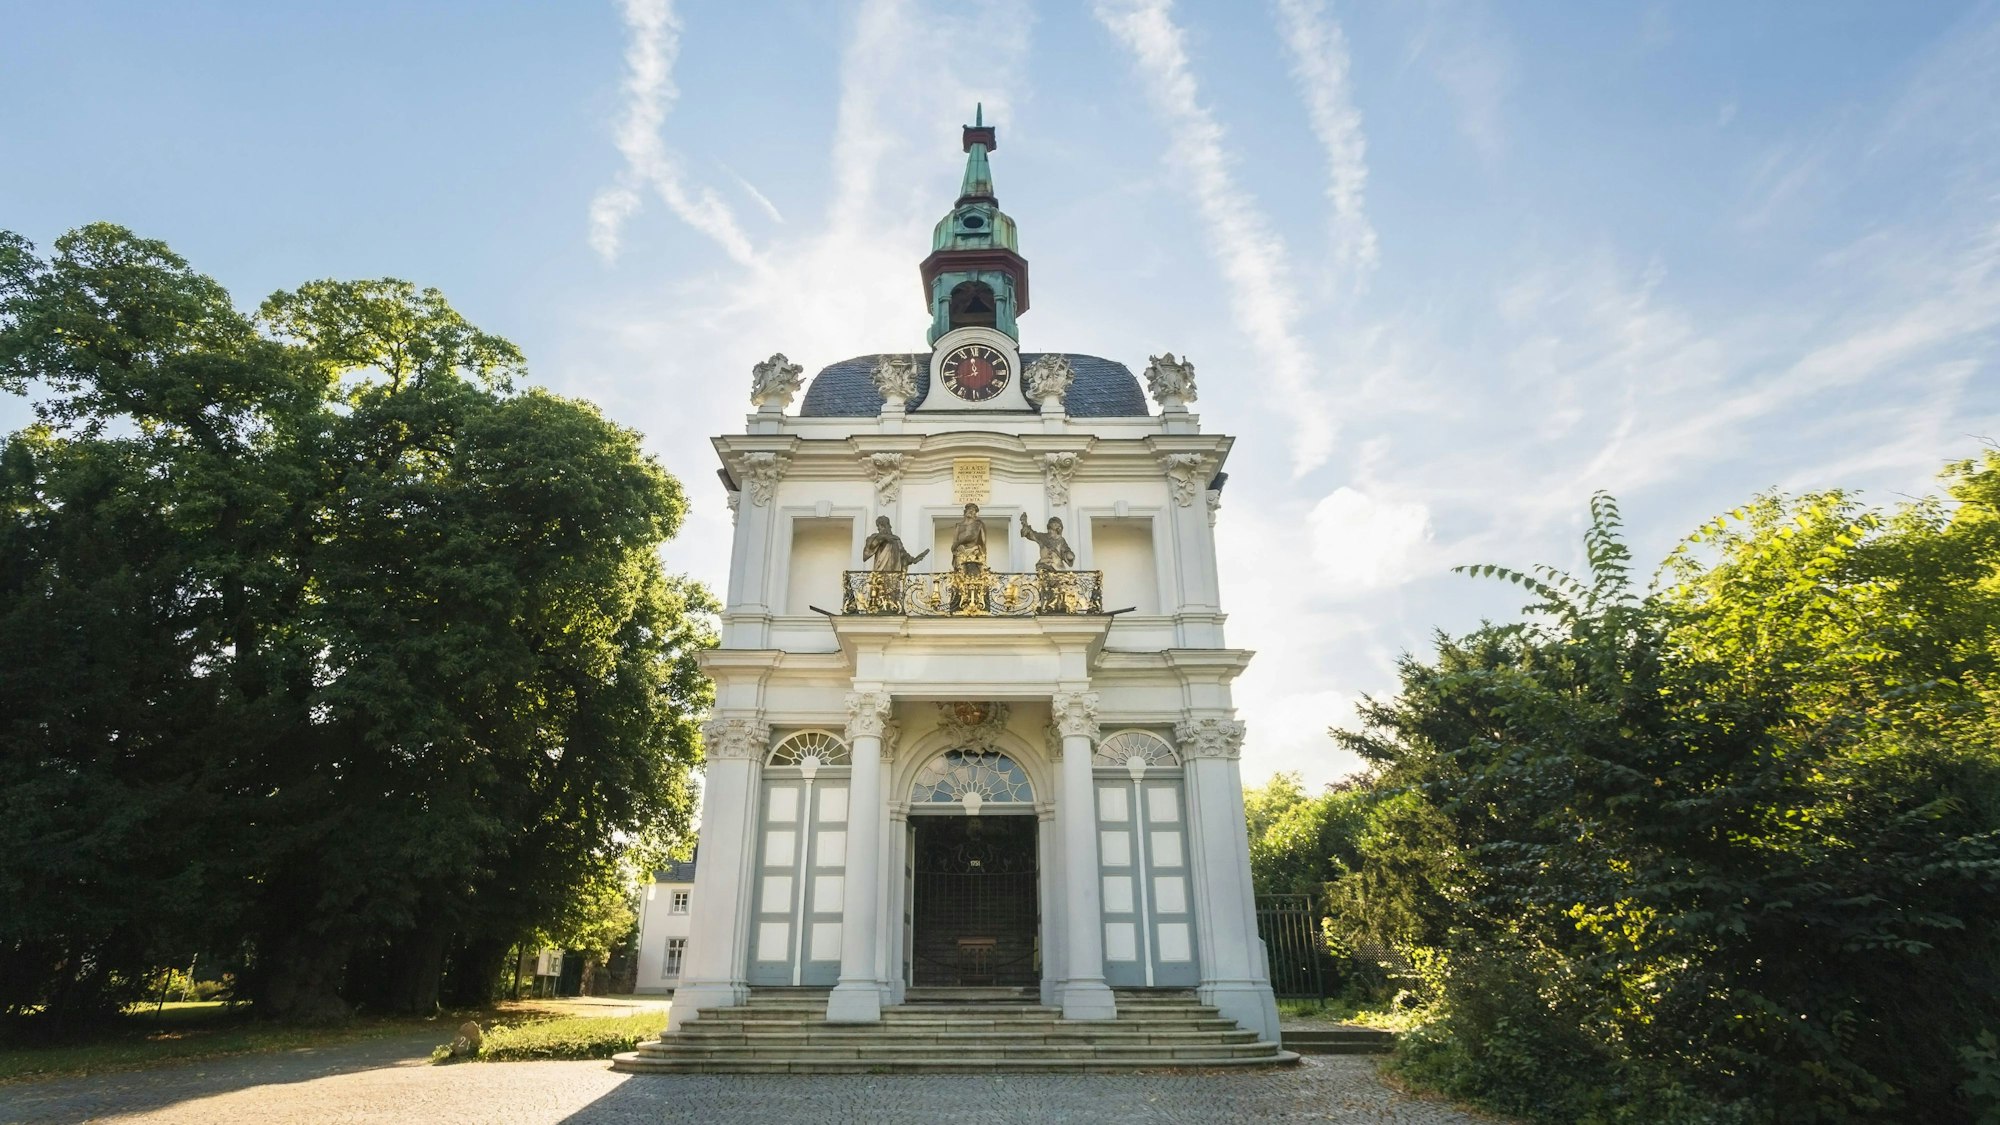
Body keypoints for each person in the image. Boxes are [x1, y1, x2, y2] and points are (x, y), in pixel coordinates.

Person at [863, 516, 928, 572]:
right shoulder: (876, 538)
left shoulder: (895, 539)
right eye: (878, 526)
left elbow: (903, 554)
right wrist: (883, 538)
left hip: (894, 574)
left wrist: (913, 560)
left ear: (886, 526)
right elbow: (867, 552)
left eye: (880, 526)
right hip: (880, 574)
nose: (878, 528)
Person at [951, 503, 988, 574]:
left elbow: (982, 543)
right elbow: (954, 544)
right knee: (960, 574)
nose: (971, 511)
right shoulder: (958, 526)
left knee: (973, 575)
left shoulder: (979, 525)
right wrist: (958, 547)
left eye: (973, 510)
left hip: (974, 553)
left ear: (975, 514)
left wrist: (975, 548)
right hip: (961, 554)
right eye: (969, 509)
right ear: (965, 511)